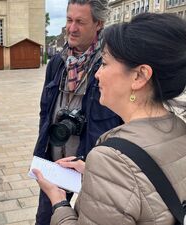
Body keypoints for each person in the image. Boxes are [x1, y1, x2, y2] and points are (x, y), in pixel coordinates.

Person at [33, 12, 186, 225]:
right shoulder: (179, 129)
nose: (97, 74)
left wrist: (58, 203)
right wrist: (96, 176)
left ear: (139, 76)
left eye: (104, 63)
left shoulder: (111, 159)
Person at [33, 0, 122, 223]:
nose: (71, 28)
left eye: (80, 22)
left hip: (91, 165)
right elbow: (46, 112)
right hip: (55, 160)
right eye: (69, 20)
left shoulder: (110, 66)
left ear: (98, 24)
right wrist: (42, 151)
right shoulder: (57, 63)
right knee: (45, 218)